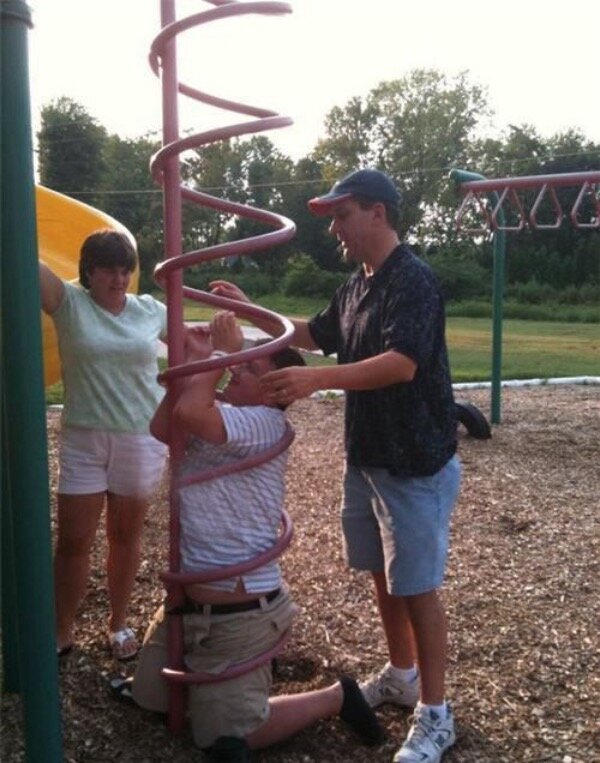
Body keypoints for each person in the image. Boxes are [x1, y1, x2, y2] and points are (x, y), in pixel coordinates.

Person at [210, 169, 461, 763]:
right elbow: (313, 333)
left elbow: (401, 363)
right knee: (385, 578)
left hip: (414, 462)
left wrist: (316, 380)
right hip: (369, 456)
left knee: (418, 589)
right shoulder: (356, 285)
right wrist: (253, 313)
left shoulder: (413, 280)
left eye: (342, 215)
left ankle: (437, 714)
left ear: (378, 213)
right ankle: (401, 676)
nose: (334, 228)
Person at [113, 311, 383, 761]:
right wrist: (198, 359)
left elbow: (189, 412)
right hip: (183, 606)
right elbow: (164, 427)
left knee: (226, 737)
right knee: (151, 699)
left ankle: (336, 697)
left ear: (276, 391)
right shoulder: (223, 416)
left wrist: (218, 355)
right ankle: (212, 693)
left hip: (237, 616)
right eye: (238, 362)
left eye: (250, 367)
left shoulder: (263, 424)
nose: (236, 368)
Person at [39, 229, 169, 660]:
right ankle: (61, 629)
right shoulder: (69, 303)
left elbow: (196, 342)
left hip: (139, 436)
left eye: (125, 270)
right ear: (88, 272)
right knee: (73, 541)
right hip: (84, 438)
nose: (119, 279)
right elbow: (25, 261)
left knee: (124, 537)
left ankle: (118, 624)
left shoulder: (149, 309)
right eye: (108, 270)